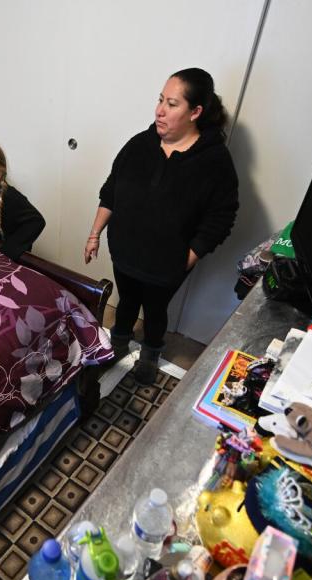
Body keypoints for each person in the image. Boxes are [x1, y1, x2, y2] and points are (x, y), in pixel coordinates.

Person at [84, 68, 239, 383]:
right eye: (160, 100)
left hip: (168, 264)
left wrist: (189, 256)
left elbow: (222, 215)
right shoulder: (140, 144)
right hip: (125, 252)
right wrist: (95, 234)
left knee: (155, 312)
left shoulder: (215, 161)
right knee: (126, 302)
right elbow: (111, 190)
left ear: (195, 112)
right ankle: (118, 343)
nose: (159, 110)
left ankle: (151, 354)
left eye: (172, 103)